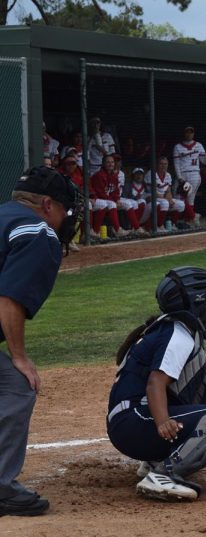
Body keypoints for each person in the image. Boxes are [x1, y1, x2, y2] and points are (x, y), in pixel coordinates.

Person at [107, 266, 206, 502]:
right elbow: (155, 383)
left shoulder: (176, 330)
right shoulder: (177, 335)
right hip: (135, 421)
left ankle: (156, 461)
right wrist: (162, 421)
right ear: (194, 304)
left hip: (131, 422)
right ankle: (165, 475)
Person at [0, 166, 83, 516]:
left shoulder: (5, 217)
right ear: (47, 204)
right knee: (18, 385)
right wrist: (19, 355)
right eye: (64, 209)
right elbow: (9, 299)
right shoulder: (38, 233)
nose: (66, 218)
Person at [172, 126, 206, 227]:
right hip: (183, 174)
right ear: (184, 133)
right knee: (179, 198)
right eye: (187, 132)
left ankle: (188, 219)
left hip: (194, 174)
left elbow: (204, 161)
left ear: (193, 134)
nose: (189, 134)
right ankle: (192, 217)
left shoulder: (198, 145)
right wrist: (179, 177)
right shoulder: (178, 147)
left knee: (187, 198)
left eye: (191, 132)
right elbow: (176, 163)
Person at [89, 154, 128, 239]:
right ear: (103, 164)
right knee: (110, 204)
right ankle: (116, 230)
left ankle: (99, 231)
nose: (110, 164)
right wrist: (114, 201)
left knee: (114, 204)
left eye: (112, 162)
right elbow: (100, 193)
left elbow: (115, 191)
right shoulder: (99, 175)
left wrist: (117, 199)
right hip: (96, 198)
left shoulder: (113, 175)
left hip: (106, 199)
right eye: (108, 162)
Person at [153, 156, 175, 231]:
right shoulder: (152, 174)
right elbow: (153, 192)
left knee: (181, 205)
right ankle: (159, 225)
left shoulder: (168, 175)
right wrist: (166, 199)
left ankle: (172, 224)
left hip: (164, 198)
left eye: (165, 164)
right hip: (152, 197)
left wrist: (170, 199)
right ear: (157, 165)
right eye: (161, 164)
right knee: (165, 203)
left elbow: (168, 191)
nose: (163, 166)